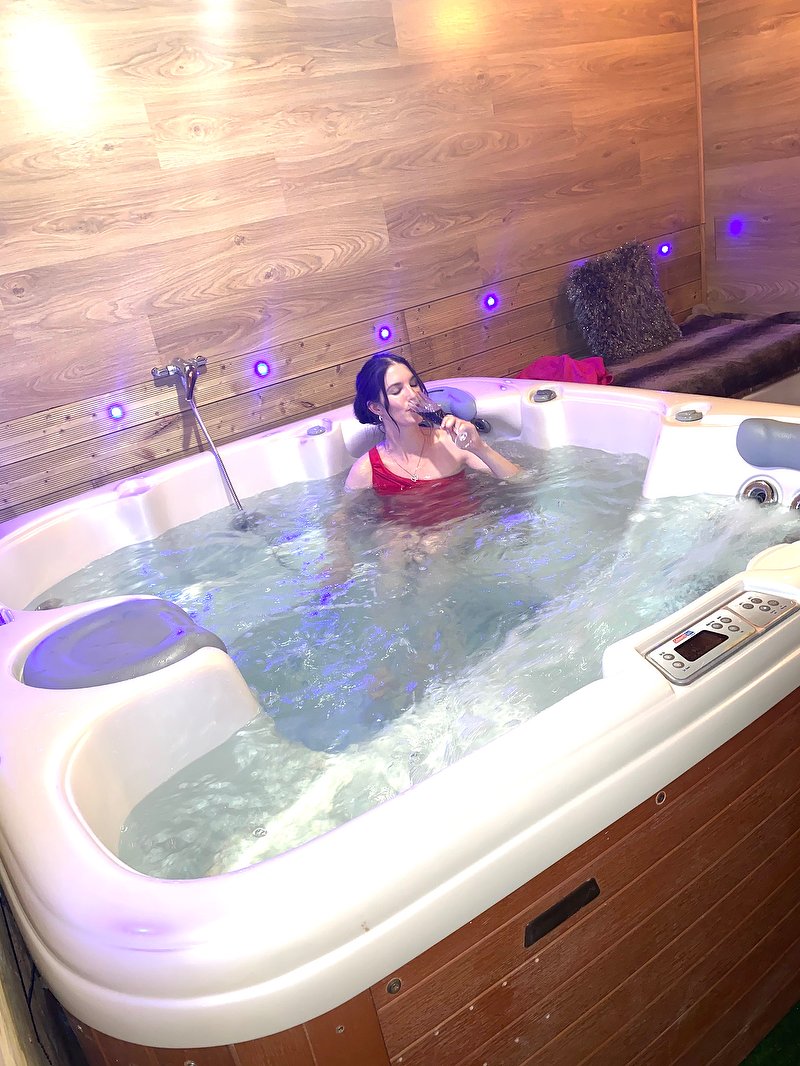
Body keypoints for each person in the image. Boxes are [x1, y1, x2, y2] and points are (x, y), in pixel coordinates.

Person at [345, 354, 520, 493]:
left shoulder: (451, 443)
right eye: (396, 391)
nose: (413, 394)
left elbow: (520, 482)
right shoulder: (367, 470)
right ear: (376, 408)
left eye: (414, 384)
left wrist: (480, 447)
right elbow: (344, 521)